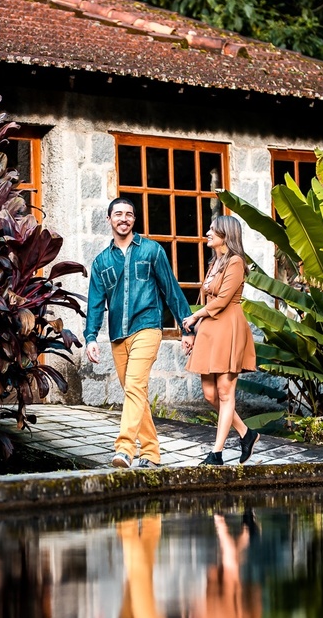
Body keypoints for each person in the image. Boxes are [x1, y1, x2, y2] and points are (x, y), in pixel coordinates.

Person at [86, 197, 195, 468]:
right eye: (118, 214)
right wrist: (90, 337)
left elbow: (171, 289)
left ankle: (124, 449)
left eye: (129, 215)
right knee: (136, 393)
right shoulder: (101, 262)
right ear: (109, 219)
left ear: (134, 220)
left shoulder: (152, 251)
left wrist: (187, 327)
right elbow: (96, 303)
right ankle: (151, 452)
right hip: (117, 336)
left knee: (134, 387)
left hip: (147, 327)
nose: (124, 219)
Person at [181, 215, 259, 465]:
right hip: (210, 329)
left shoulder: (235, 262)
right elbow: (208, 301)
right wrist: (196, 331)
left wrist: (193, 317)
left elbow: (223, 300)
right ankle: (247, 434)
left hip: (229, 328)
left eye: (213, 230)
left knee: (225, 393)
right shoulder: (215, 262)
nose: (208, 233)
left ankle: (216, 453)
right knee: (210, 394)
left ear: (226, 235)